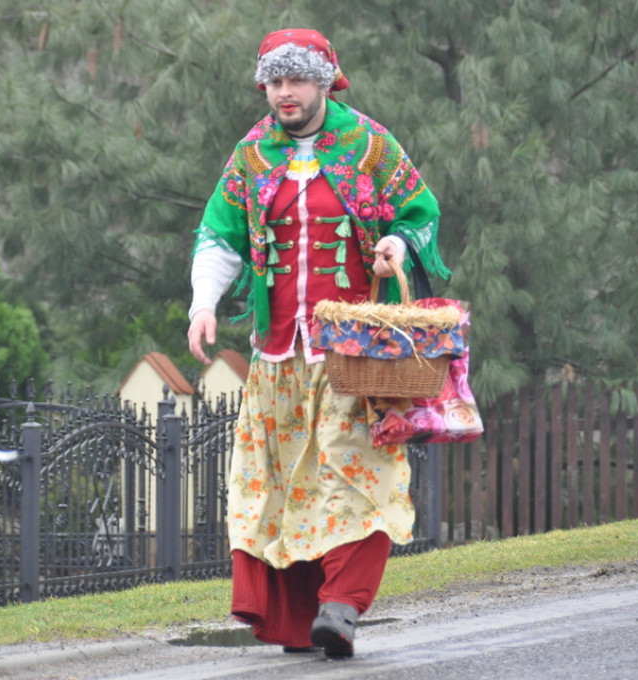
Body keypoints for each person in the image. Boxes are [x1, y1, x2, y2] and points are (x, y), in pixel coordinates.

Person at [187, 28, 450, 659]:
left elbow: (419, 214)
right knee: (276, 482)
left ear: (326, 80)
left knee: (354, 472)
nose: (284, 92)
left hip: (354, 358)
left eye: (297, 79)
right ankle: (301, 613)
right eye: (274, 81)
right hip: (276, 355)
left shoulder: (371, 145)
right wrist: (203, 304)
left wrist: (398, 245)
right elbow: (219, 236)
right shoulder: (250, 155)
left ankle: (341, 605)